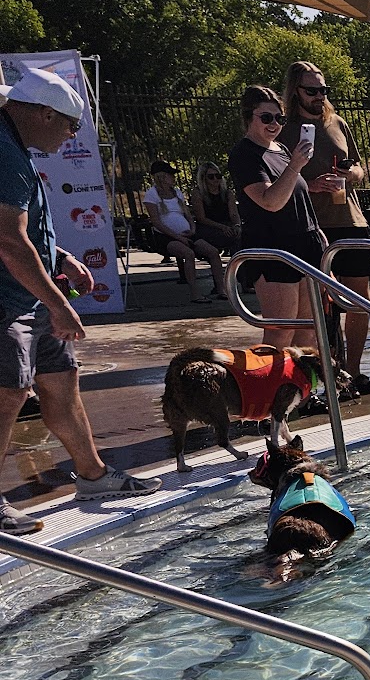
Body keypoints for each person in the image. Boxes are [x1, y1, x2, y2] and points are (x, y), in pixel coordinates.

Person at [0, 67, 160, 532]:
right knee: (8, 392)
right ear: (46, 114)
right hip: (9, 298)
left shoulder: (16, 148)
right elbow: (8, 240)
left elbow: (24, 230)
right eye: (71, 125)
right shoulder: (4, 153)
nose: (72, 136)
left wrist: (62, 256)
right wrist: (59, 304)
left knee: (61, 380)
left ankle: (92, 475)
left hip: (29, 292)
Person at [280, 62, 370, 386]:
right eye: (312, 90)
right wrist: (310, 183)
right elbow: (276, 179)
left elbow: (359, 167)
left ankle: (354, 373)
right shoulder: (283, 129)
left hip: (350, 220)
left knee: (359, 302)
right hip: (312, 225)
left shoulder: (336, 122)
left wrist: (351, 175)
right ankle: (326, 377)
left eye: (323, 90)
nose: (319, 96)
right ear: (295, 91)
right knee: (321, 306)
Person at [229, 83, 325, 351]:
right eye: (266, 117)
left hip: (304, 246)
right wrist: (295, 166)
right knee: (281, 334)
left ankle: (303, 380)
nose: (273, 124)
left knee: (307, 334)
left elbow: (297, 198)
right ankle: (269, 379)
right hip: (273, 250)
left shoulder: (281, 149)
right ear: (249, 118)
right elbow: (270, 201)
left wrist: (320, 237)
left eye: (279, 119)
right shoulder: (244, 154)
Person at [140, 159, 223, 303]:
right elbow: (156, 222)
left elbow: (188, 215)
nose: (173, 177)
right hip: (166, 237)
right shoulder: (151, 195)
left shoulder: (177, 192)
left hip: (187, 233)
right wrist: (178, 237)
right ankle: (195, 293)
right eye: (170, 175)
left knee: (213, 252)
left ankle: (222, 289)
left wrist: (192, 229)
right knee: (188, 254)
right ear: (162, 177)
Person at [190, 161, 240, 253]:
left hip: (227, 225)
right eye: (211, 177)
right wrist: (222, 227)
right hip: (208, 227)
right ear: (203, 178)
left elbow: (234, 214)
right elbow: (201, 218)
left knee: (243, 234)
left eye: (218, 176)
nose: (215, 179)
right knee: (232, 238)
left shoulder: (227, 193)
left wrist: (237, 226)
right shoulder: (198, 193)